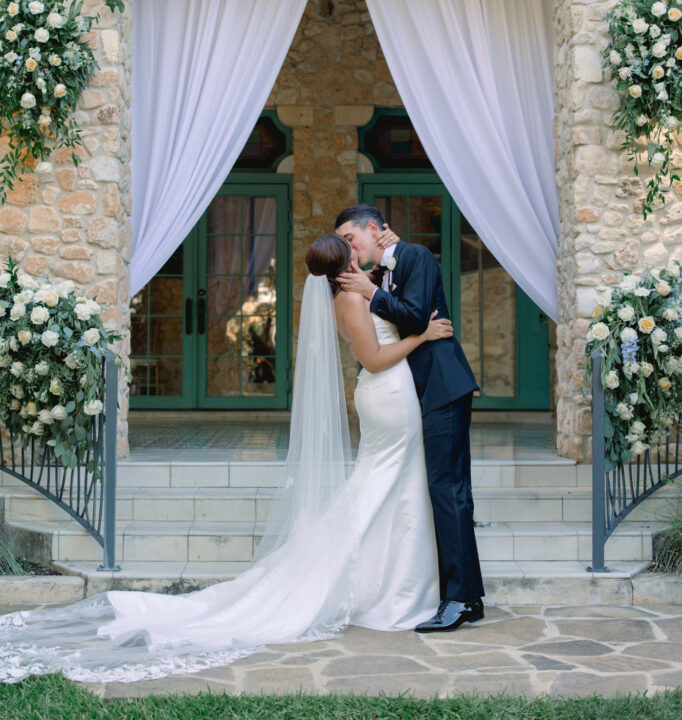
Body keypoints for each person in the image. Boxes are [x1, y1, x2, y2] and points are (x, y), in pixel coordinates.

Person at [0, 236, 452, 685]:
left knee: (386, 488)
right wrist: (422, 336)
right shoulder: (350, 301)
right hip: (387, 393)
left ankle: (390, 582)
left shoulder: (358, 290)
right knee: (383, 487)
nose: (360, 249)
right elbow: (373, 359)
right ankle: (385, 589)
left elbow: (390, 296)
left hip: (391, 399)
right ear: (343, 261)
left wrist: (389, 263)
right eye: (351, 246)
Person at [335, 203, 485, 633]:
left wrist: (370, 291)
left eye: (352, 239)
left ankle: (457, 599)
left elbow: (418, 315)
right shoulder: (382, 272)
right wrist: (372, 286)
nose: (351, 249)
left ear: (373, 229)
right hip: (418, 392)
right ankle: (467, 595)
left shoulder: (415, 255)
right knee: (445, 490)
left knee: (448, 490)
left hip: (442, 386)